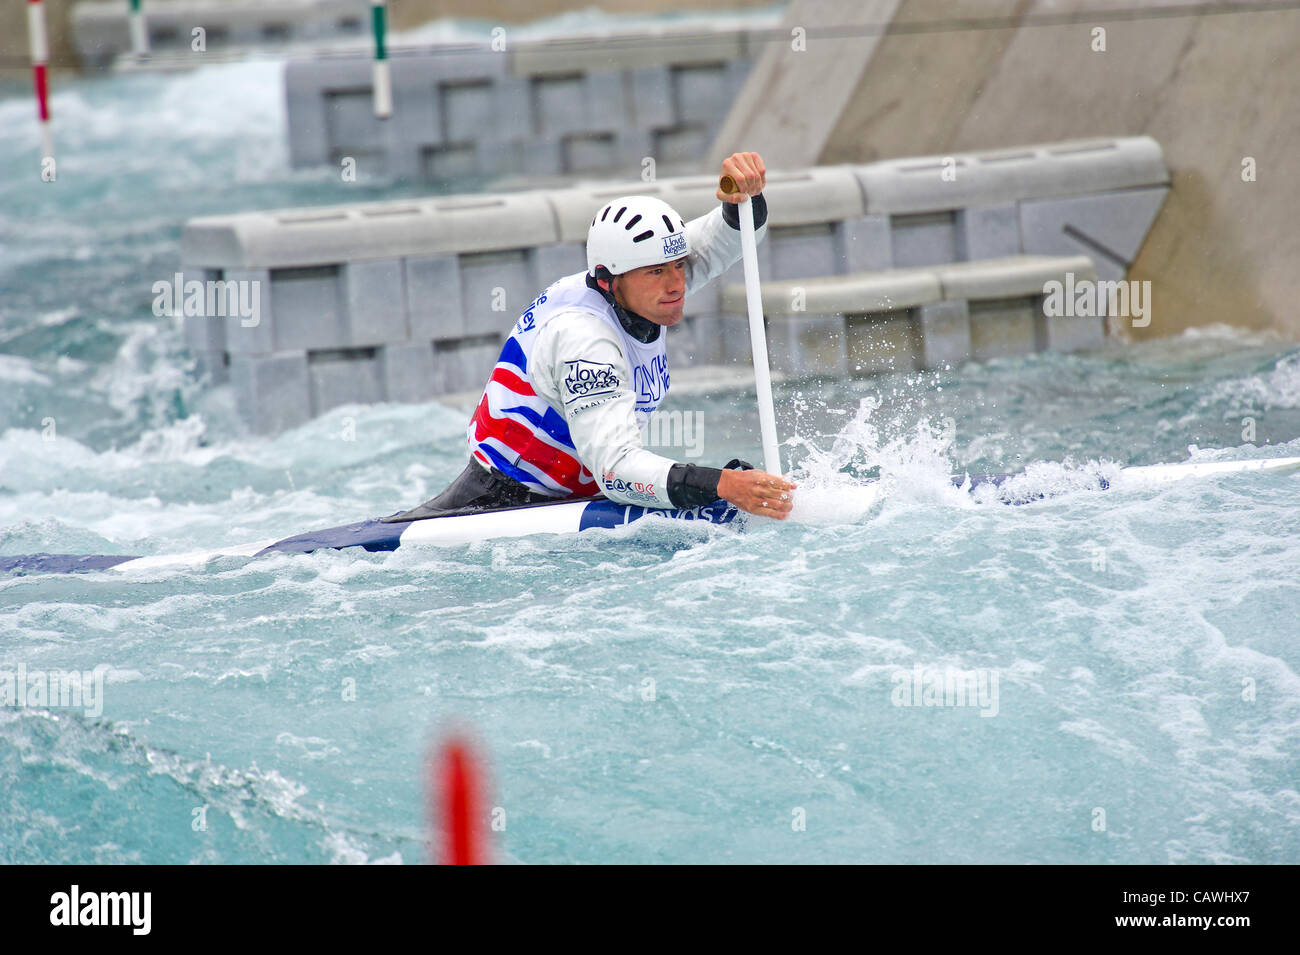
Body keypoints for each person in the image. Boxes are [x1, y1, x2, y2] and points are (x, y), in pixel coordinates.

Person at [384, 151, 797, 524]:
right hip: (504, 503)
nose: (677, 283)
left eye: (677, 264)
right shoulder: (584, 340)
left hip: (575, 491)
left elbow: (727, 238)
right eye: (658, 271)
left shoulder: (637, 283)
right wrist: (721, 485)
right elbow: (617, 472)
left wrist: (743, 194)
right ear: (608, 280)